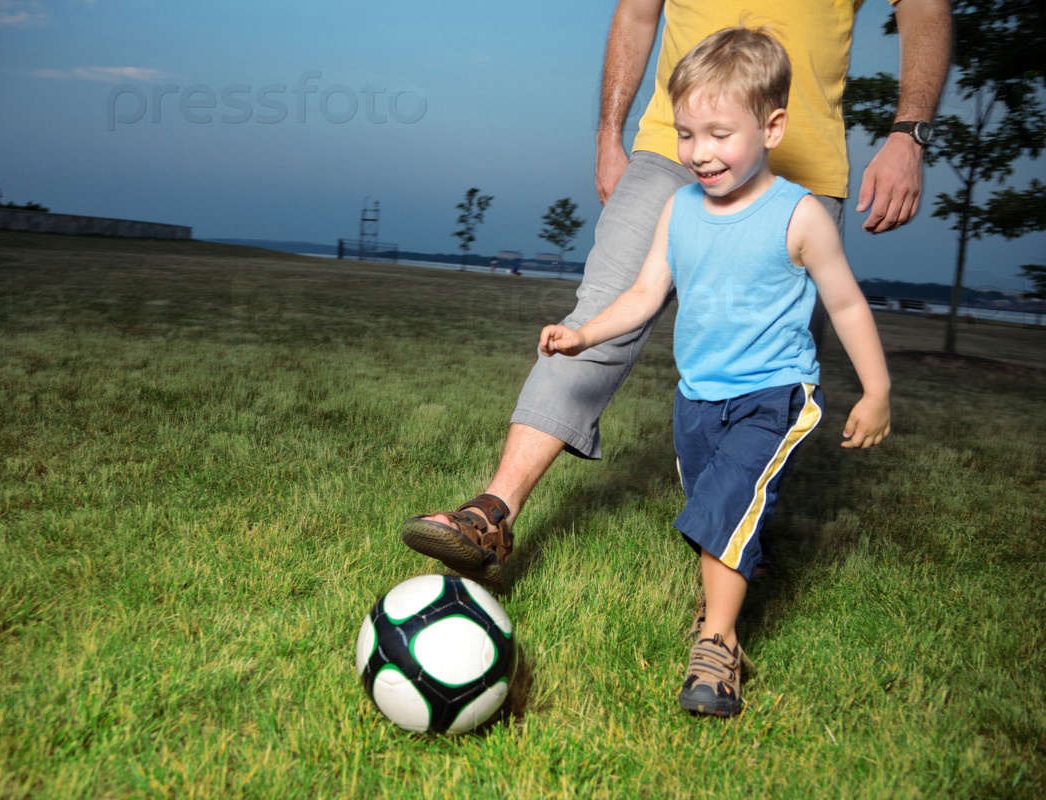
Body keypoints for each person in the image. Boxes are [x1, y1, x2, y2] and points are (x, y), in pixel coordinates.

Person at [399, 0, 949, 586]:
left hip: (802, 163)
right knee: (600, 311)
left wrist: (908, 135)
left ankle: (738, 553)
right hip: (670, 149)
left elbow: (925, 9)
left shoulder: (797, 204)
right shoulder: (687, 152)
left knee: (772, 375)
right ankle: (492, 513)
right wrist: (609, 135)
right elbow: (636, 13)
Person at [538, 25, 891, 717]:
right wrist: (583, 333)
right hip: (696, 401)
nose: (700, 153)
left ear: (773, 126)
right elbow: (643, 295)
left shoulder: (799, 215)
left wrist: (876, 390)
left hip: (773, 395)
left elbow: (846, 304)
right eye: (688, 134)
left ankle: (717, 646)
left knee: (725, 508)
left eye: (719, 135)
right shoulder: (680, 209)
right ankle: (737, 571)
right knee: (722, 516)